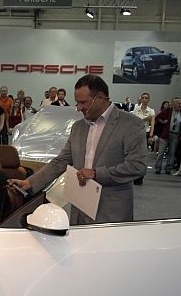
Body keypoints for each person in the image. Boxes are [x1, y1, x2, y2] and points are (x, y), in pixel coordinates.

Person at [9, 74, 148, 225]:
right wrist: (29, 183)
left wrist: (96, 174)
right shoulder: (78, 127)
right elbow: (61, 161)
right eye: (77, 102)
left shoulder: (131, 124)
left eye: (83, 102)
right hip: (80, 209)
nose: (79, 107)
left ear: (100, 98)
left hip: (111, 211)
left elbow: (137, 166)